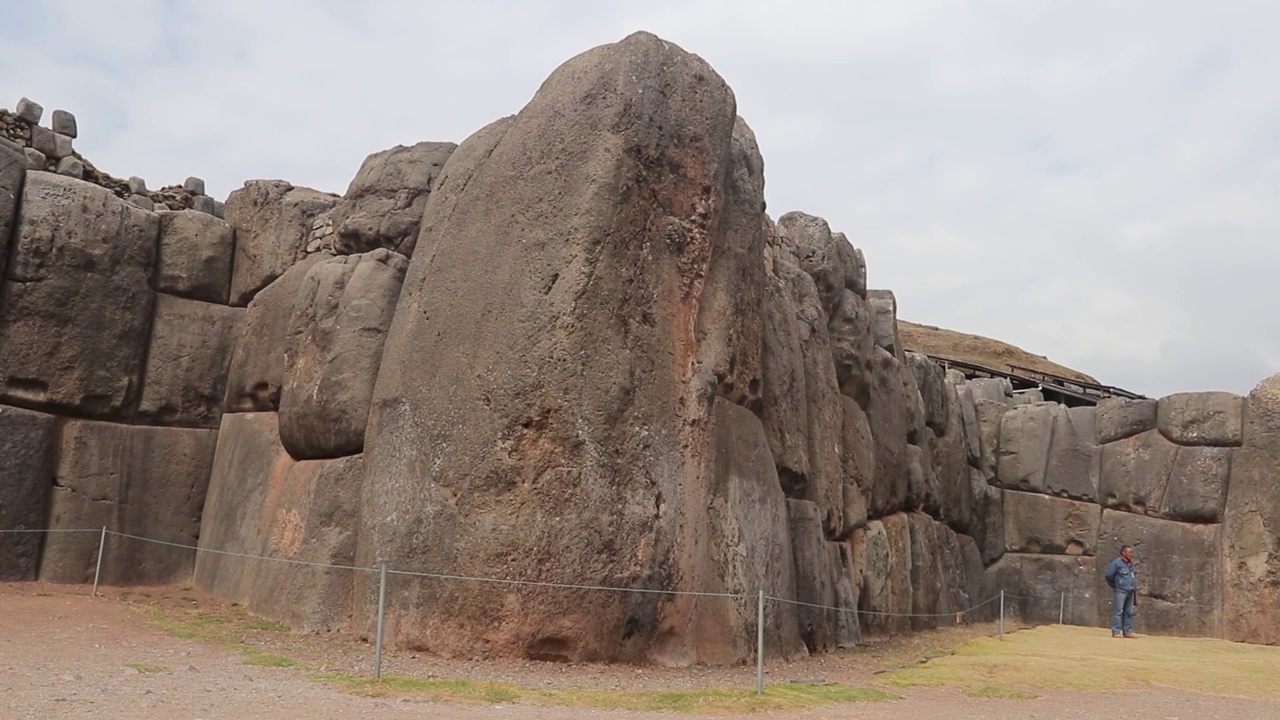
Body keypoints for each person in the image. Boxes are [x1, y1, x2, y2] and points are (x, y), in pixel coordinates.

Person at [1105, 545, 1138, 638]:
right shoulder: (1116, 563)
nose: (1131, 554)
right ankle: (1116, 631)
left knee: (1129, 612)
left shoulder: (1130, 564)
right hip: (1120, 590)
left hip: (1130, 590)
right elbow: (1109, 575)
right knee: (1118, 611)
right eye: (1129, 552)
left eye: (1132, 552)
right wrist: (1116, 585)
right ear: (1123, 553)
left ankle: (1128, 631)